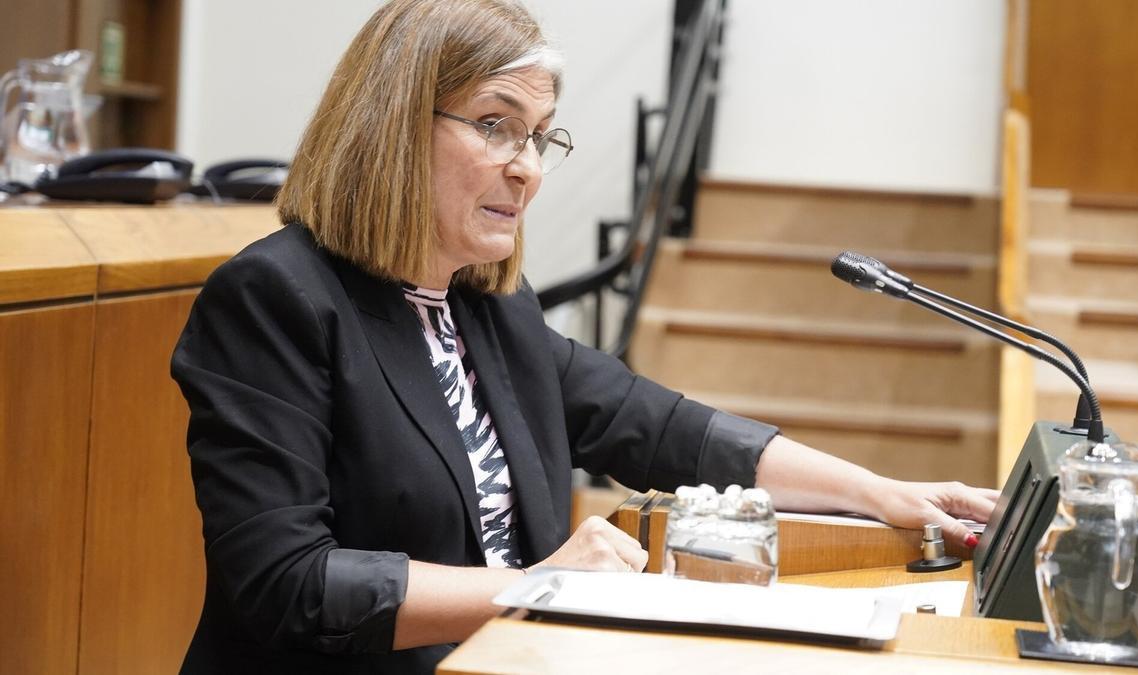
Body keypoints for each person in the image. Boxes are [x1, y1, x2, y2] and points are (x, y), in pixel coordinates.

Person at [170, 1, 999, 672]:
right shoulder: (278, 297)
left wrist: (878, 492)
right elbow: (285, 581)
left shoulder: (490, 306)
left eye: (538, 135)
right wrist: (536, 585)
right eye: (495, 124)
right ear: (393, 126)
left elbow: (657, 425)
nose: (527, 165)